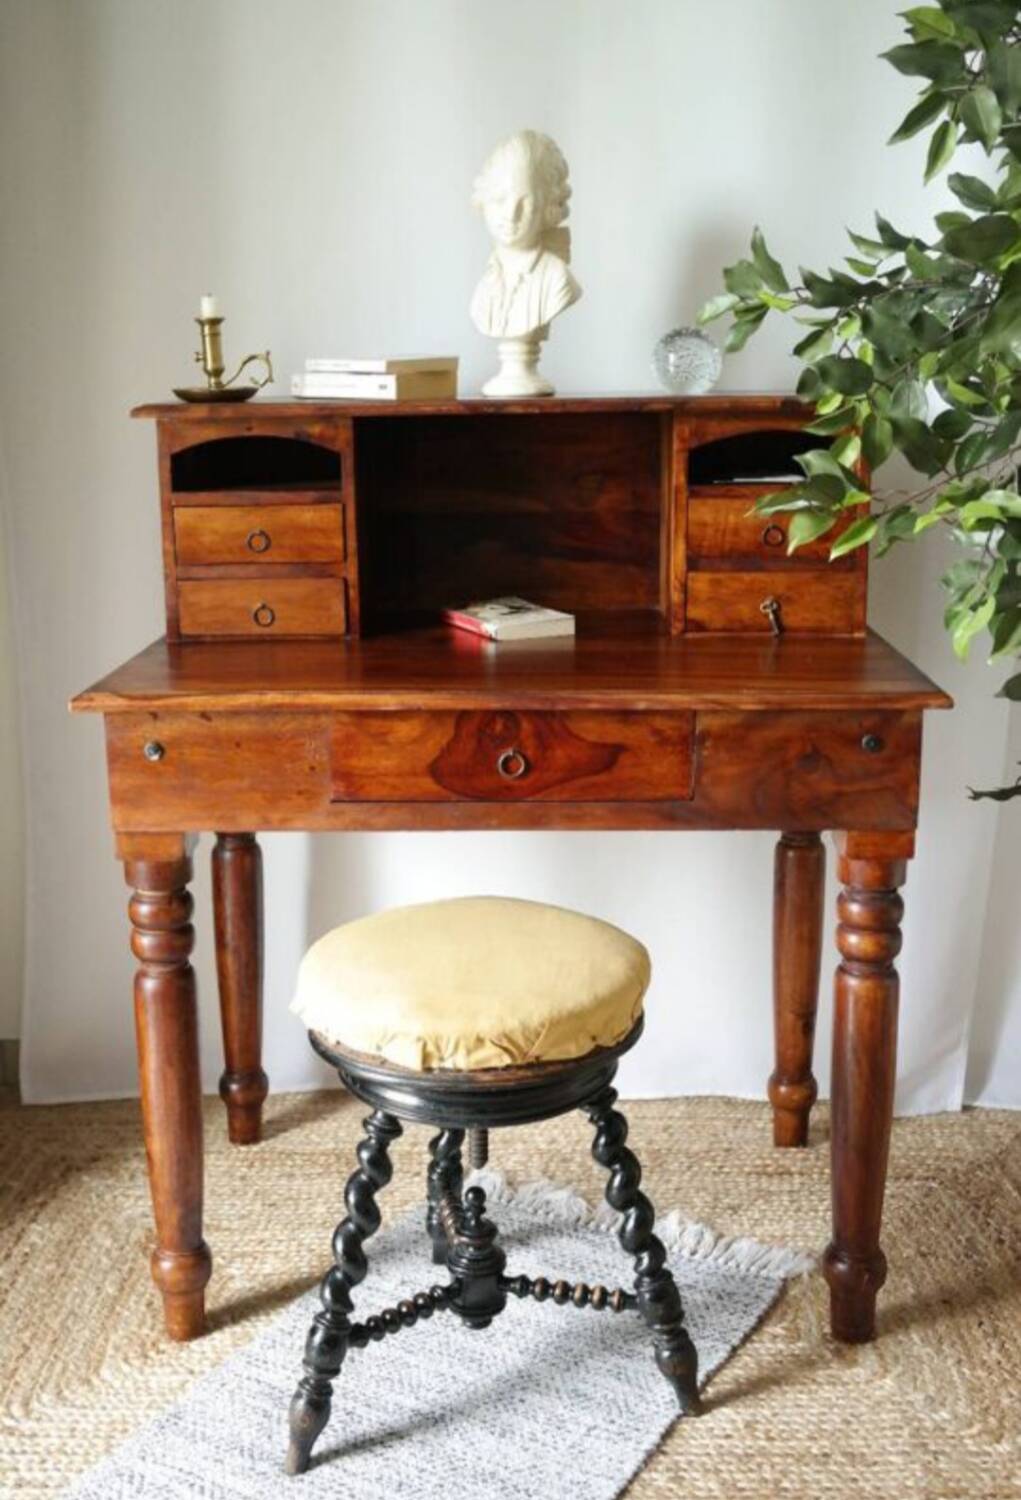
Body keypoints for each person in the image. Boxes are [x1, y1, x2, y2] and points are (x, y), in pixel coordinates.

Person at [470, 130, 582, 341]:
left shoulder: (556, 279)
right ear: (484, 198)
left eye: (526, 201)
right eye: (500, 198)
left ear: (546, 206)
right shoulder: (486, 282)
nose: (512, 214)